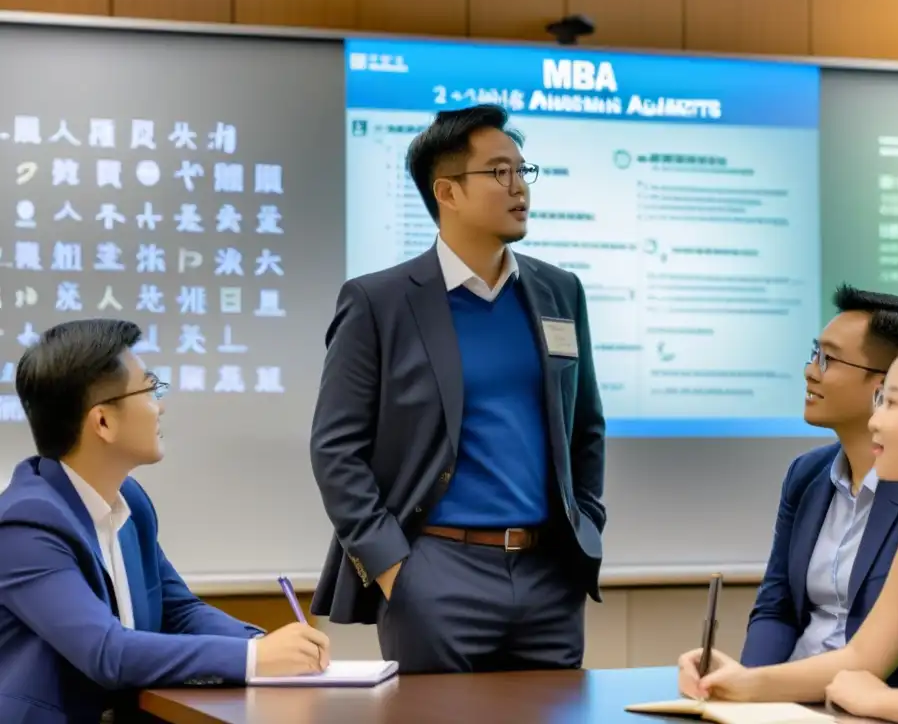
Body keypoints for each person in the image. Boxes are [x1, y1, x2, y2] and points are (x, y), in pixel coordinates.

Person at [310, 104, 605, 673]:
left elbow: (585, 426)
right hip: (435, 571)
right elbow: (335, 449)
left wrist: (586, 523)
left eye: (523, 171)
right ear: (446, 192)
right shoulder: (381, 302)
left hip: (549, 576)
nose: (519, 187)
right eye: (499, 172)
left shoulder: (558, 291)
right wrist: (396, 568)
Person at [679, 328, 898, 723]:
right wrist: (741, 682)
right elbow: (861, 657)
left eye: (891, 403)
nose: (874, 421)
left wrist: (874, 700)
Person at [0, 319, 330, 723]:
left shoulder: (130, 502)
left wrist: (267, 644)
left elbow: (179, 611)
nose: (161, 404)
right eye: (150, 388)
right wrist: (253, 658)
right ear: (103, 421)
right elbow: (106, 651)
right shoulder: (26, 524)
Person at [740, 285, 898, 687]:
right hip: (789, 697)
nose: (811, 370)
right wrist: (744, 690)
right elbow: (775, 609)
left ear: (885, 386)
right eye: (815, 354)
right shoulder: (806, 475)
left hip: (870, 700)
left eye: (828, 359)